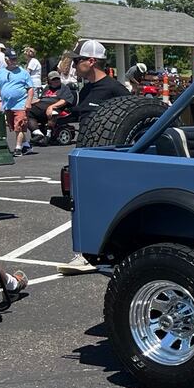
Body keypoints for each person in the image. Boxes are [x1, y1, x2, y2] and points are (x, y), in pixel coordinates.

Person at [51, 40, 131, 274]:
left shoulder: (114, 89)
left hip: (104, 157)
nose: (74, 65)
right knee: (80, 203)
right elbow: (81, 114)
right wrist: (57, 117)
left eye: (78, 60)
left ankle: (91, 255)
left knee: (97, 203)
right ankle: (88, 253)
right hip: (83, 153)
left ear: (91, 61)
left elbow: (132, 116)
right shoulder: (86, 89)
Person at [0, 46, 38, 155]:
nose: (14, 61)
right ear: (6, 59)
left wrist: (28, 102)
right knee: (15, 127)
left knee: (19, 126)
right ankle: (26, 145)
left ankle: (18, 148)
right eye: (12, 59)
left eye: (15, 59)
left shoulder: (23, 72)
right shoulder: (0, 72)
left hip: (20, 104)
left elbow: (30, 89)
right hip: (7, 105)